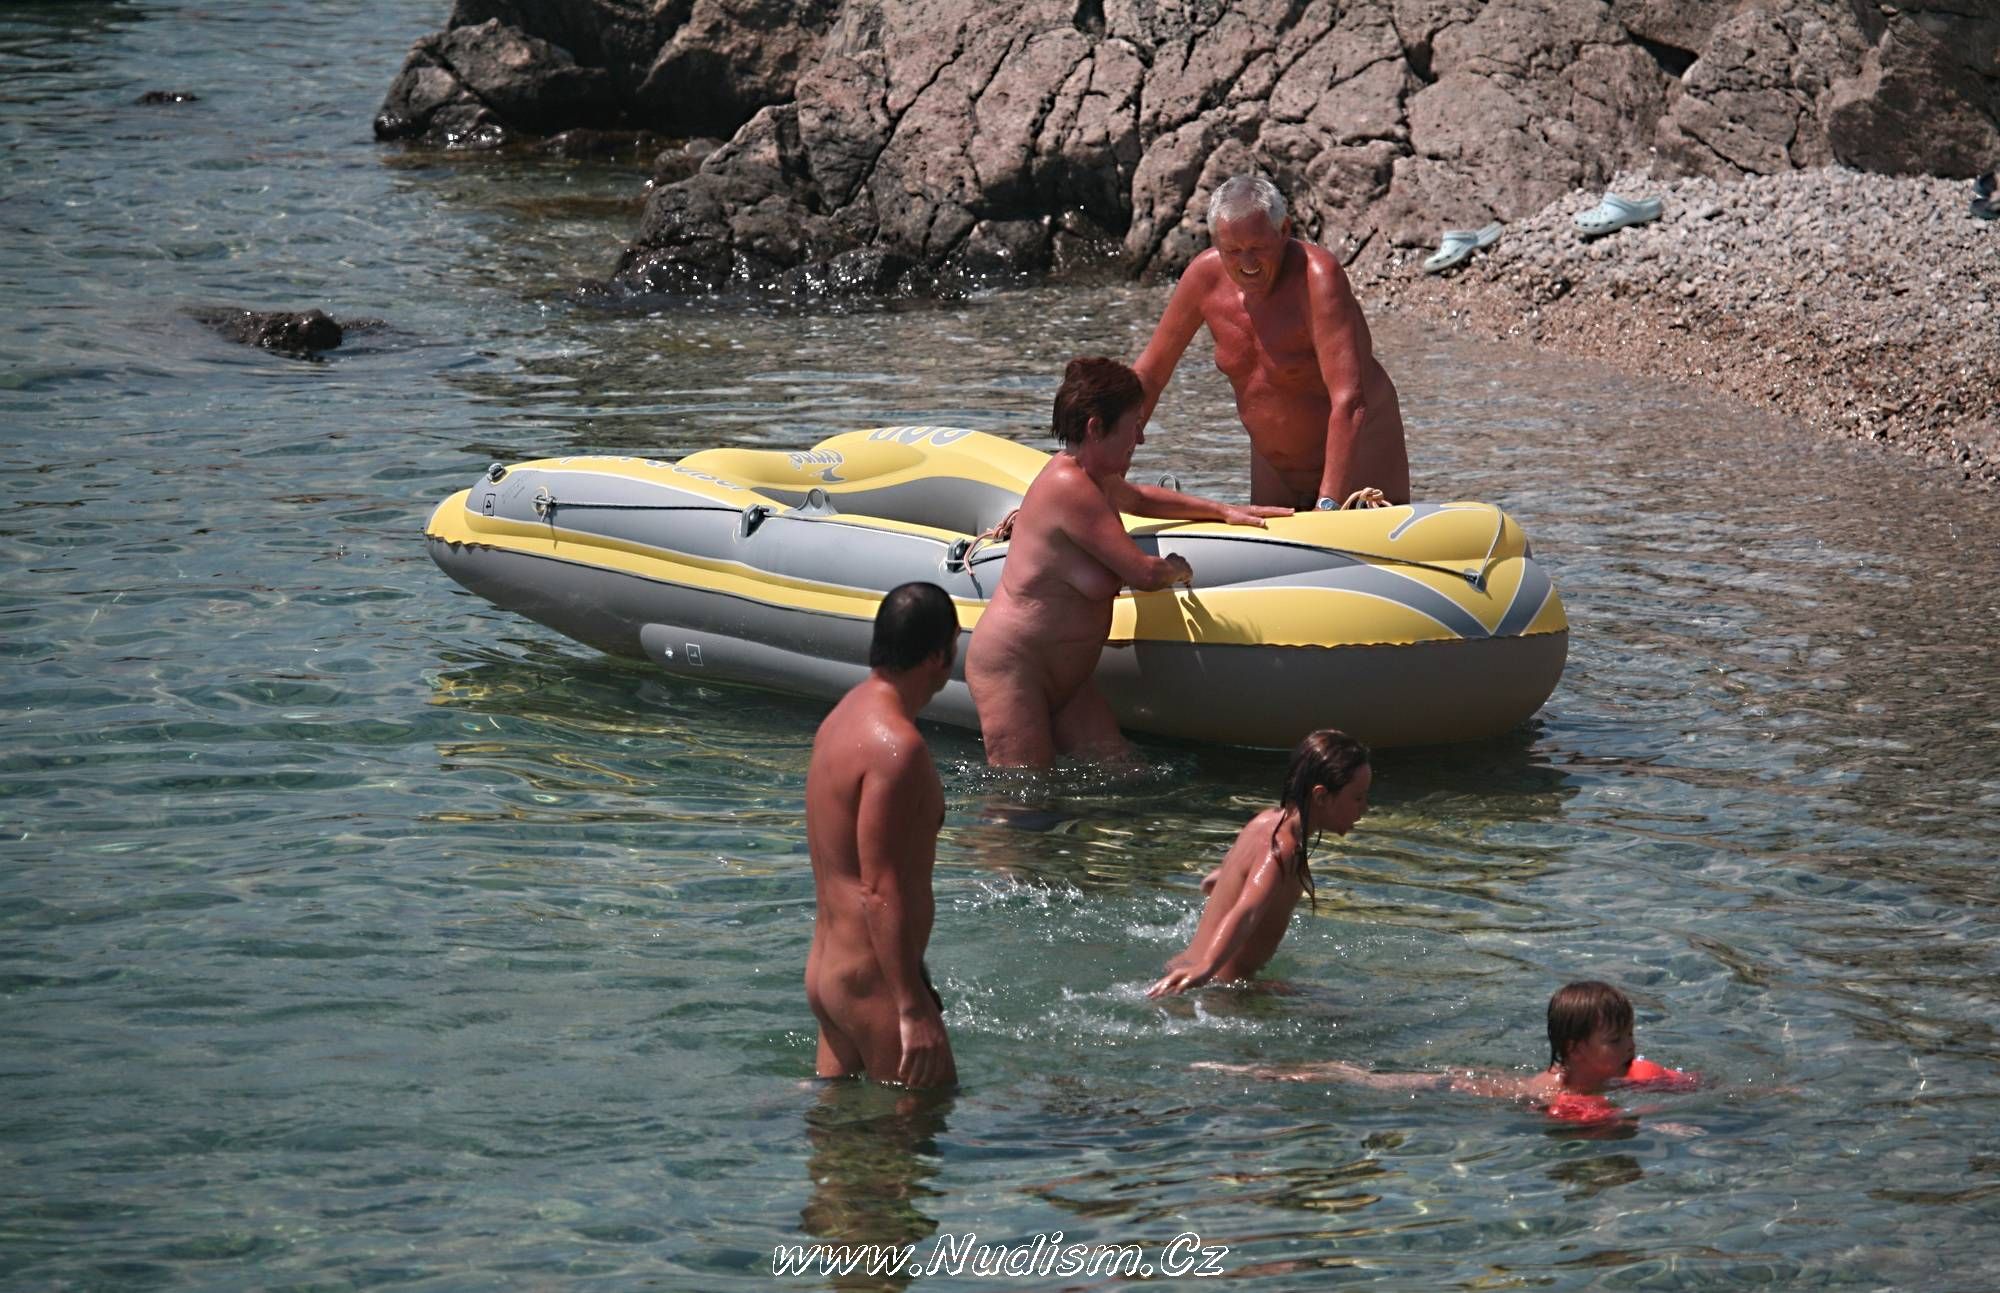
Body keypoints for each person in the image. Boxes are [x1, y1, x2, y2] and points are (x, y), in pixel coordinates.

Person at [964, 355, 1290, 767]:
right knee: (1024, 805)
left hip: (1069, 678)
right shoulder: (1068, 486)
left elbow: (1138, 498)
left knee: (1125, 772)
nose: (1141, 439)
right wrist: (1180, 568)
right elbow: (1143, 573)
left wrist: (1223, 510)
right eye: (1133, 425)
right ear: (1095, 428)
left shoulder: (1096, 480)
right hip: (1015, 670)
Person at [1133, 174, 1410, 510]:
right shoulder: (1203, 279)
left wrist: (1328, 507)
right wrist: (1106, 466)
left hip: (1359, 464)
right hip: (1275, 470)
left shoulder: (1317, 278)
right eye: (1232, 251)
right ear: (1215, 240)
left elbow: (1349, 400)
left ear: (1284, 230)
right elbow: (1150, 376)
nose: (1246, 264)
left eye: (1257, 249)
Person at [805, 581, 962, 1088]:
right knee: (915, 1137)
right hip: (874, 984)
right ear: (941, 655)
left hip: (831, 973)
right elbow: (878, 887)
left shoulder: (839, 719)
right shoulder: (897, 747)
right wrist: (912, 1005)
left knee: (840, 1149)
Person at [1196, 980, 1695, 1124]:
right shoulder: (1566, 1100)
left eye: (1629, 1035)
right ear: (1574, 1050)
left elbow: (1696, 1086)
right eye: (1615, 1041)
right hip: (1451, 1087)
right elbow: (1604, 1124)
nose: (1630, 1048)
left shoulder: (1617, 1074)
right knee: (1353, 1078)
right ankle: (1258, 1071)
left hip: (1481, 1080)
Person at [1147, 730, 1371, 997]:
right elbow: (1249, 910)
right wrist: (1205, 969)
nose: (1364, 808)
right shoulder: (1282, 850)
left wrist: (1222, 882)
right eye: (1358, 798)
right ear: (1321, 796)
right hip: (1218, 990)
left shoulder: (1265, 822)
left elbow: (1224, 877)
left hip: (1182, 969)